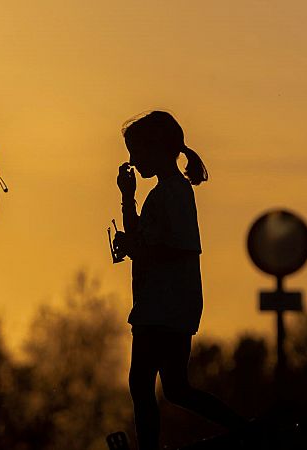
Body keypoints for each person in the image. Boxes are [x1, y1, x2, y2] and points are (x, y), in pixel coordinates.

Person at [112, 111, 247, 450]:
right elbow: (143, 240)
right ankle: (245, 430)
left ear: (155, 149)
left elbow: (165, 248)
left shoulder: (172, 193)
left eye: (136, 151)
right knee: (175, 387)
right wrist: (128, 198)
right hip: (172, 307)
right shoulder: (167, 192)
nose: (132, 160)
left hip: (162, 307)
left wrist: (135, 246)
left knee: (142, 384)